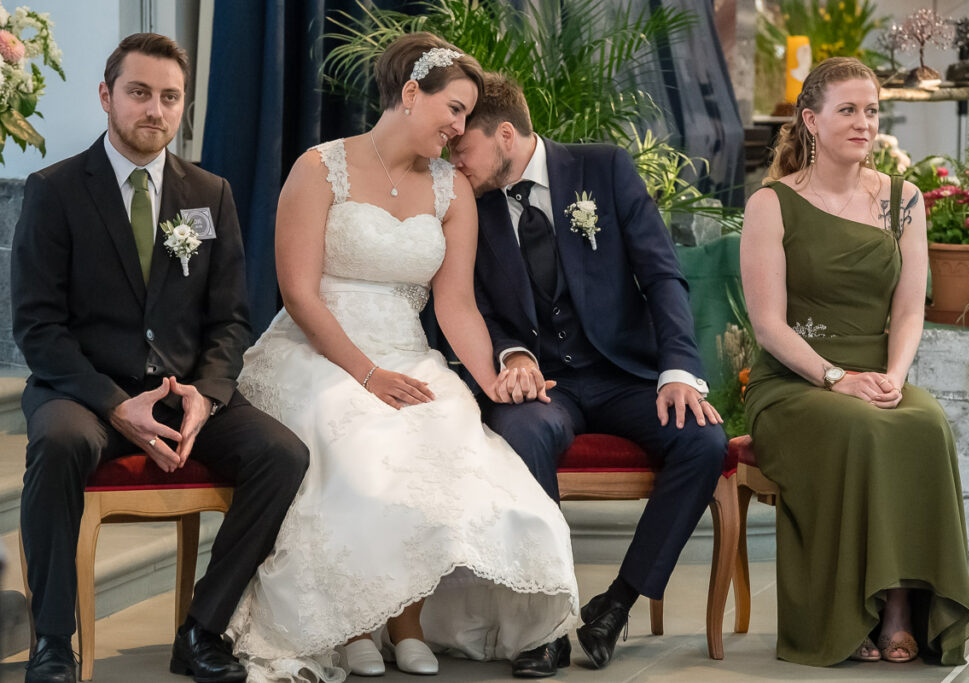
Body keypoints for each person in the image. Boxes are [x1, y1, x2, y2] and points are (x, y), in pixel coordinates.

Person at [224, 33, 578, 681]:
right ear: (411, 94)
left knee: (447, 441)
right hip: (316, 353)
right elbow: (299, 294)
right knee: (358, 450)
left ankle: (407, 620)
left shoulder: (451, 189)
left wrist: (491, 379)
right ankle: (355, 624)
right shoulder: (318, 167)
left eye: (467, 115)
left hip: (407, 356)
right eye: (453, 108)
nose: (458, 126)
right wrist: (367, 374)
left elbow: (457, 308)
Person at [11, 34, 309, 683]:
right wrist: (117, 405)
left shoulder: (211, 193)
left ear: (182, 107)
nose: (155, 109)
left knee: (283, 455)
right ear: (106, 96)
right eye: (140, 92)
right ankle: (53, 642)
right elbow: (38, 328)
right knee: (58, 444)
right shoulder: (53, 190)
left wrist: (206, 392)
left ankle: (203, 629)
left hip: (182, 387)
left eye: (169, 97)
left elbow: (231, 318)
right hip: (84, 390)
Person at [449, 73, 728, 672]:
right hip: (542, 384)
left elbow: (661, 275)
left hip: (623, 372)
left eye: (461, 147)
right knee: (522, 435)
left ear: (503, 134)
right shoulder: (466, 203)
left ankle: (615, 605)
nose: (453, 160)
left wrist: (678, 369)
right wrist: (508, 355)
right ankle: (545, 623)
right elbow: (463, 302)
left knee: (703, 440)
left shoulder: (604, 169)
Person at [740, 57, 969, 666]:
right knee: (862, 427)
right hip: (795, 382)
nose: (864, 122)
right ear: (810, 121)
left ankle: (900, 608)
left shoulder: (904, 200)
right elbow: (768, 326)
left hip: (878, 374)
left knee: (924, 423)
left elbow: (908, 311)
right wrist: (836, 378)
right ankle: (854, 616)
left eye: (871, 110)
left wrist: (895, 376)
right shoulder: (771, 204)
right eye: (847, 109)